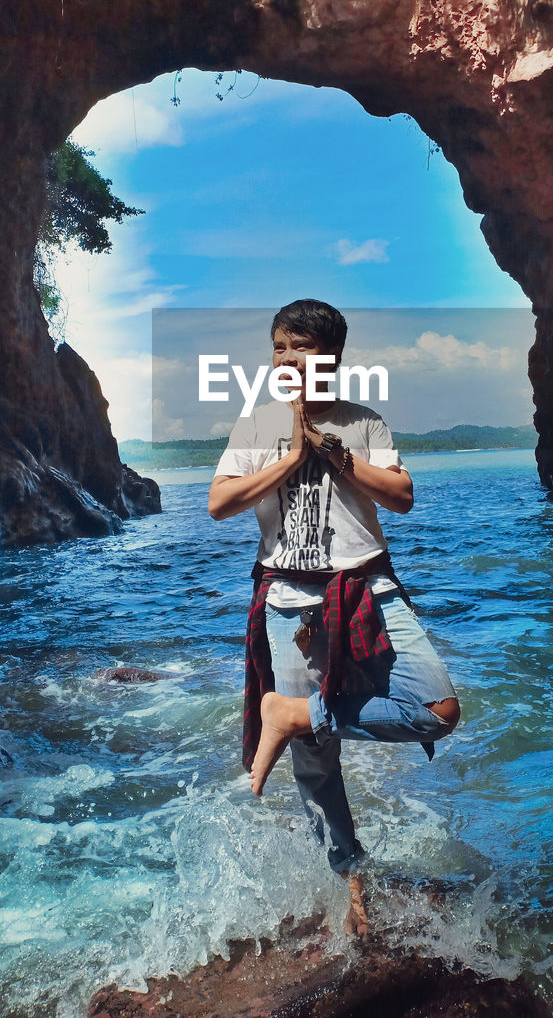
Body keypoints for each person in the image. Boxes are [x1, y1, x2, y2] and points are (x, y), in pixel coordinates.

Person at [208, 299, 461, 934]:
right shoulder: (256, 424)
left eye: (303, 349)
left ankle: (292, 713)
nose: (289, 362)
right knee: (316, 762)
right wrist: (291, 457)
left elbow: (401, 497)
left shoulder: (365, 421)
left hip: (367, 587)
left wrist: (329, 449)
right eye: (279, 350)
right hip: (288, 598)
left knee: (436, 710)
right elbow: (219, 504)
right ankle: (352, 880)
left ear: (334, 358)